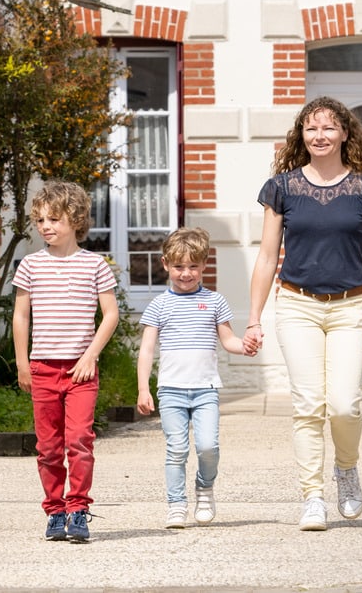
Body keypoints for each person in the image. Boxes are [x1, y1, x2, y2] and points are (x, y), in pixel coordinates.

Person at [242, 96, 362, 532]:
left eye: (329, 128)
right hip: (296, 305)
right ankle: (312, 496)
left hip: (351, 307)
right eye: (311, 129)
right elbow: (267, 255)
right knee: (309, 405)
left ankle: (346, 470)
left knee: (344, 406)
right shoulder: (282, 188)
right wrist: (254, 318)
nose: (320, 136)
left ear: (346, 133)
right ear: (301, 136)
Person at [12, 180, 120, 543]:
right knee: (48, 447)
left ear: (74, 220)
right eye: (40, 219)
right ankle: (55, 512)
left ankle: (78, 509)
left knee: (79, 440)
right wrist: (22, 362)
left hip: (80, 370)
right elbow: (21, 316)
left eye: (54, 219)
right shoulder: (30, 265)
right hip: (42, 367)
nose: (46, 226)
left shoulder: (95, 266)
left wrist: (90, 354)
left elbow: (110, 315)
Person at [135, 227, 249, 530]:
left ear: (204, 265)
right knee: (176, 450)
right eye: (178, 266)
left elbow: (229, 341)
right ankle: (176, 504)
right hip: (171, 390)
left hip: (205, 389)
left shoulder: (215, 302)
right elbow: (146, 351)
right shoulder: (159, 305)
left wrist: (246, 347)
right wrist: (143, 390)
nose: (186, 273)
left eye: (193, 266)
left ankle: (204, 487)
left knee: (208, 447)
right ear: (165, 264)